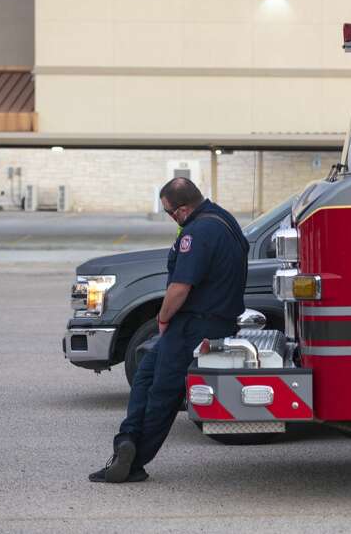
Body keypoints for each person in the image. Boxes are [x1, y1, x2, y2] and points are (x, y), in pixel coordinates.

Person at [89, 177, 248, 483]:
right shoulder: (225, 219)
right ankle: (126, 441)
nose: (170, 217)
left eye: (169, 212)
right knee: (145, 376)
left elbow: (180, 287)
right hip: (210, 320)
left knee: (162, 393)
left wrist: (162, 319)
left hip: (193, 325)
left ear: (183, 209)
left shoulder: (197, 232)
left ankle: (134, 463)